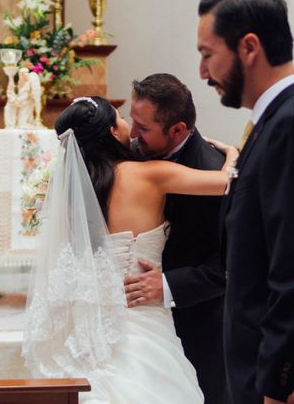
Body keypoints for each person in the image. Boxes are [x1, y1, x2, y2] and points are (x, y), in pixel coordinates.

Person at [22, 96, 239, 404]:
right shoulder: (149, 174)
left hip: (90, 319)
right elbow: (226, 182)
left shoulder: (72, 192)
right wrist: (231, 152)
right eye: (121, 118)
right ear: (112, 132)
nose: (130, 128)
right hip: (143, 313)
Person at [197, 0, 294, 404]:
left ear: (249, 47)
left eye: (207, 53)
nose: (203, 72)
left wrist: (280, 382)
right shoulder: (277, 121)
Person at [126, 73, 226, 404]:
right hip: (142, 322)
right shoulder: (135, 153)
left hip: (199, 322)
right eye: (131, 119)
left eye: (142, 127)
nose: (132, 133)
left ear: (177, 130)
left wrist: (168, 285)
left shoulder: (212, 172)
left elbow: (229, 265)